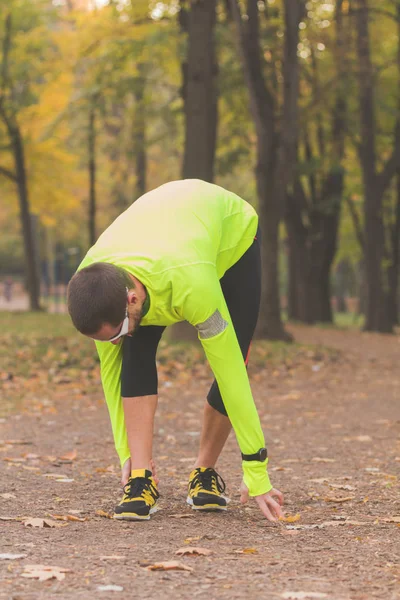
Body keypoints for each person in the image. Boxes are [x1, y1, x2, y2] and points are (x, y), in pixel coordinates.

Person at [67, 179, 284, 522]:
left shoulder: (192, 284)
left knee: (235, 354)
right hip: (161, 241)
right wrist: (127, 455)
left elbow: (230, 370)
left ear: (131, 298)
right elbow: (112, 376)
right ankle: (141, 478)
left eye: (117, 332)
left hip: (230, 236)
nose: (113, 343)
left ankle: (204, 471)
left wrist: (256, 470)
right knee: (133, 353)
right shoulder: (95, 287)